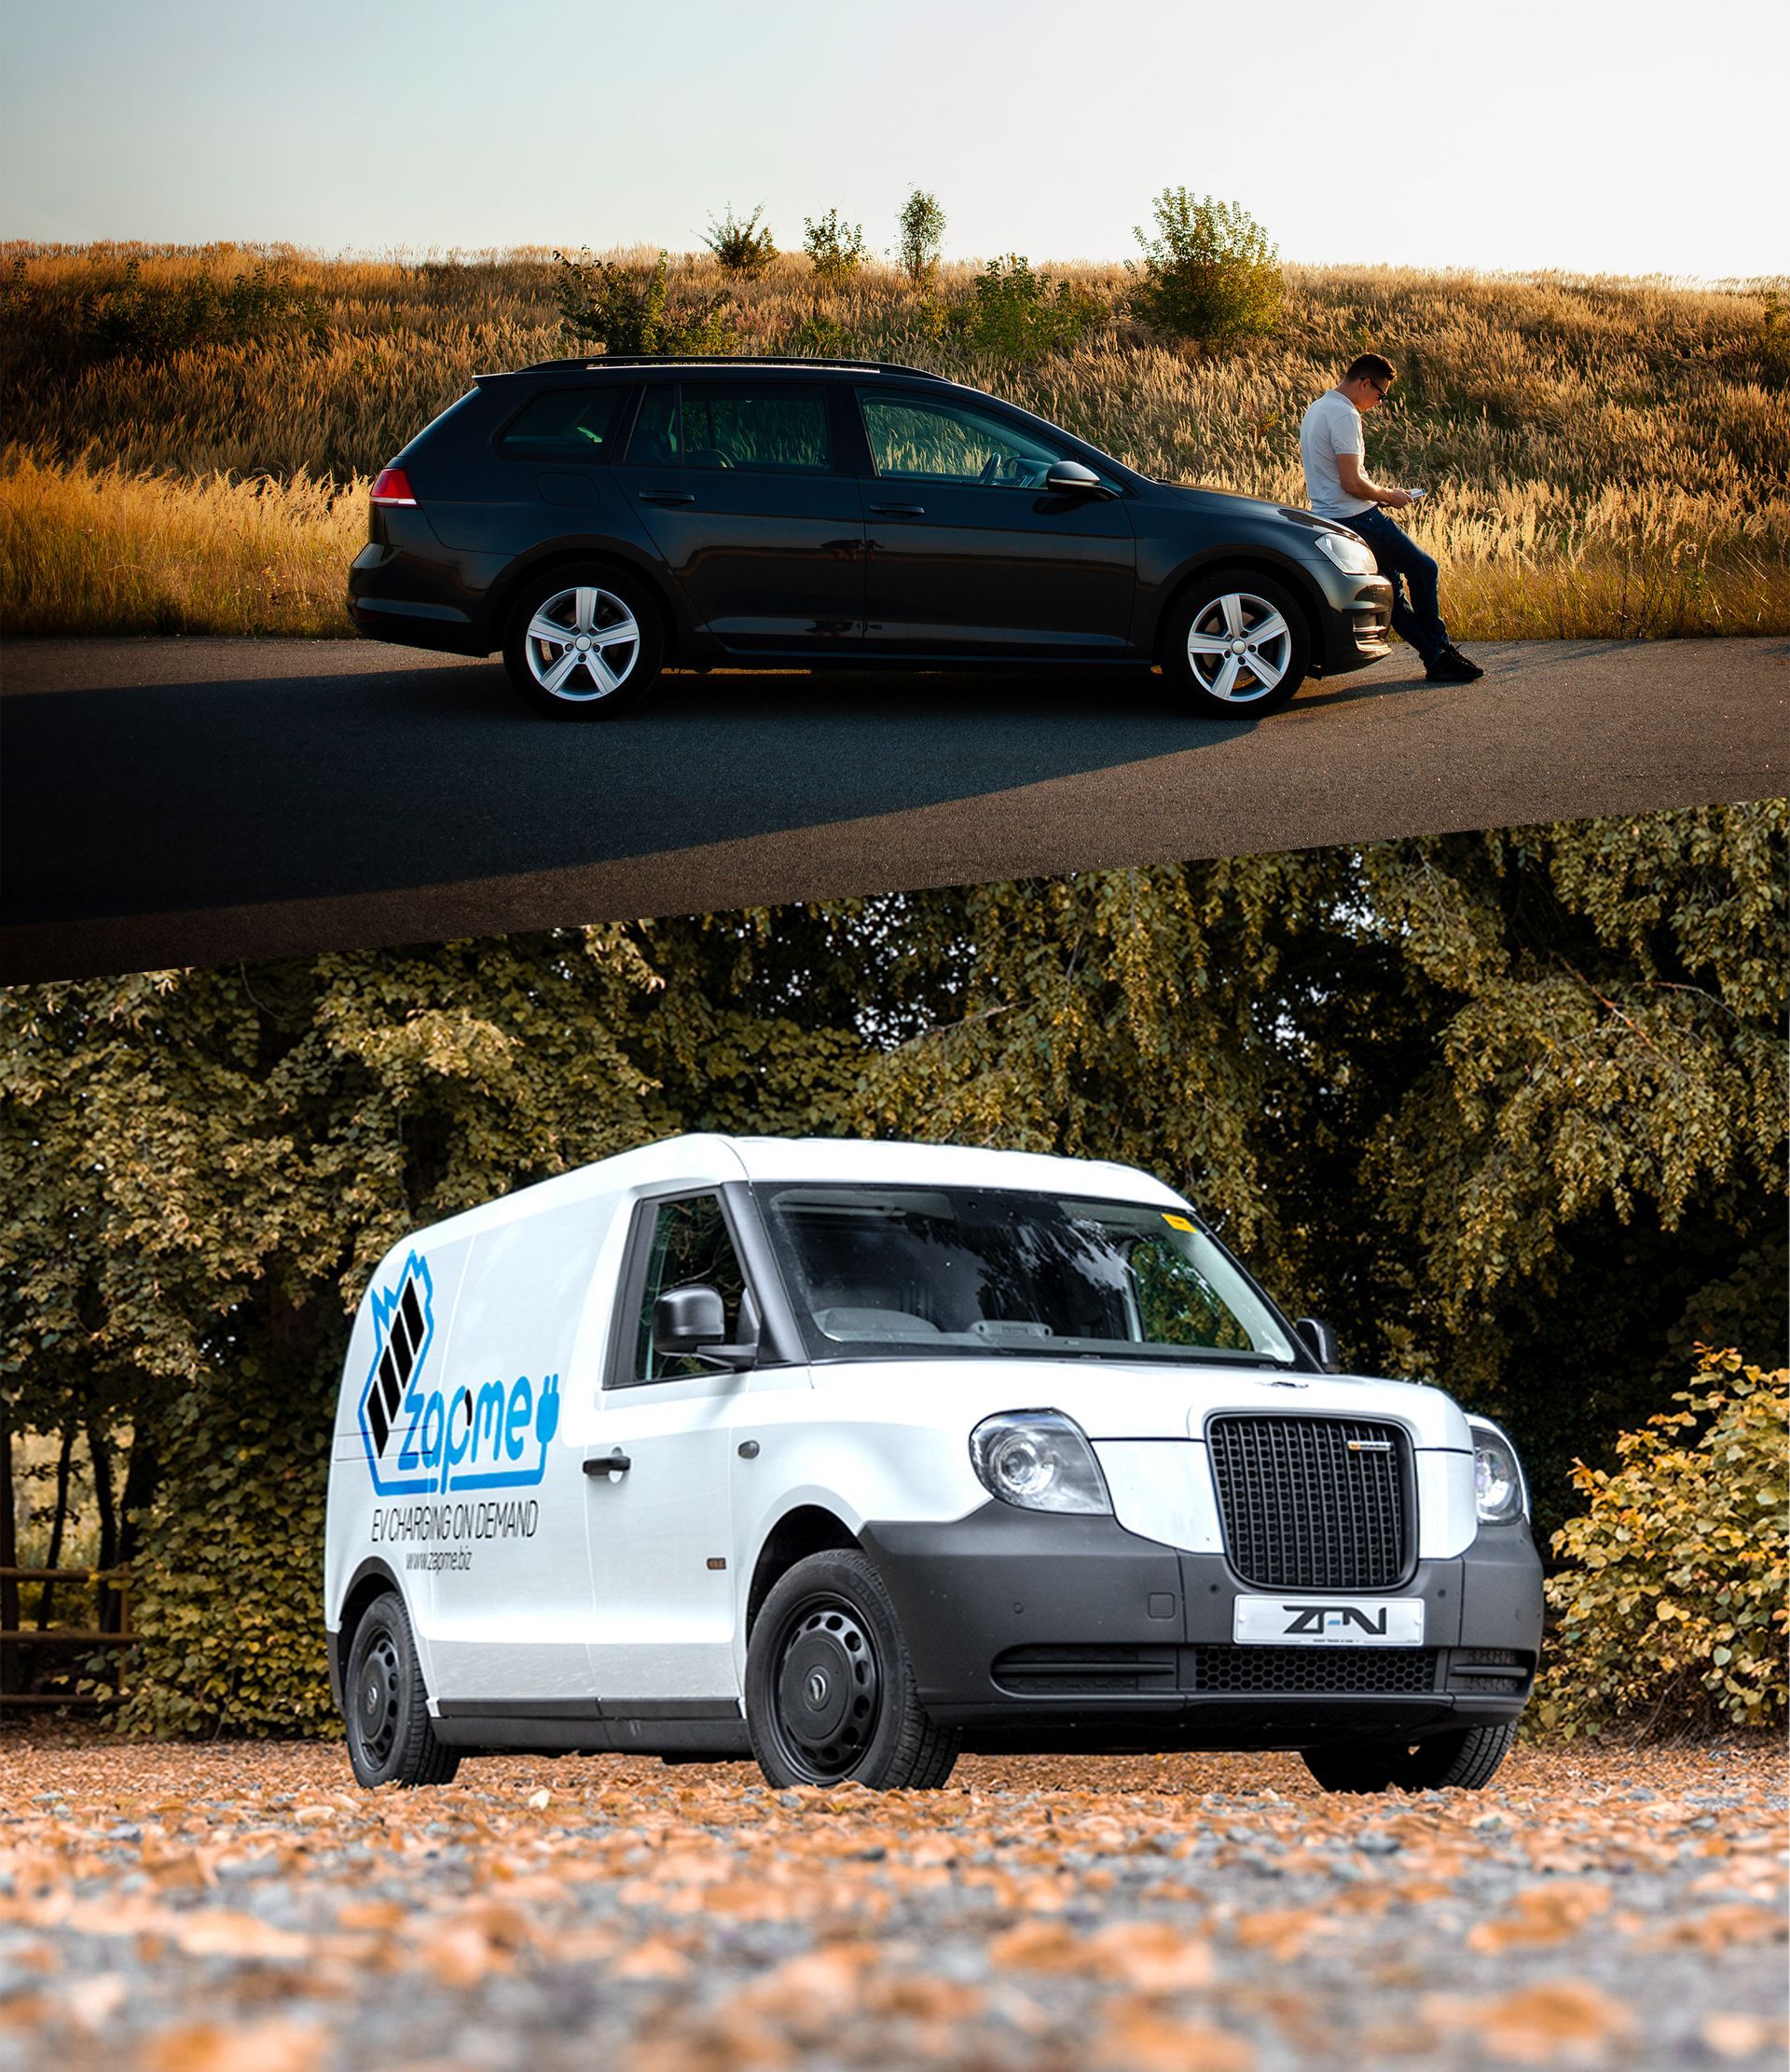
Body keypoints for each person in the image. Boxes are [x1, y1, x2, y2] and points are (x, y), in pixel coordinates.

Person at [1300, 354, 1482, 684]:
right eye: (1381, 394)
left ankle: (1438, 657)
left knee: (1393, 590)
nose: (1379, 402)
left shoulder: (1317, 408)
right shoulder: (1344, 413)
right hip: (1358, 517)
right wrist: (1390, 496)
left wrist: (1380, 493)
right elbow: (1351, 482)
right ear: (1365, 382)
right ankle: (1440, 651)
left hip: (1329, 515)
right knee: (1425, 569)